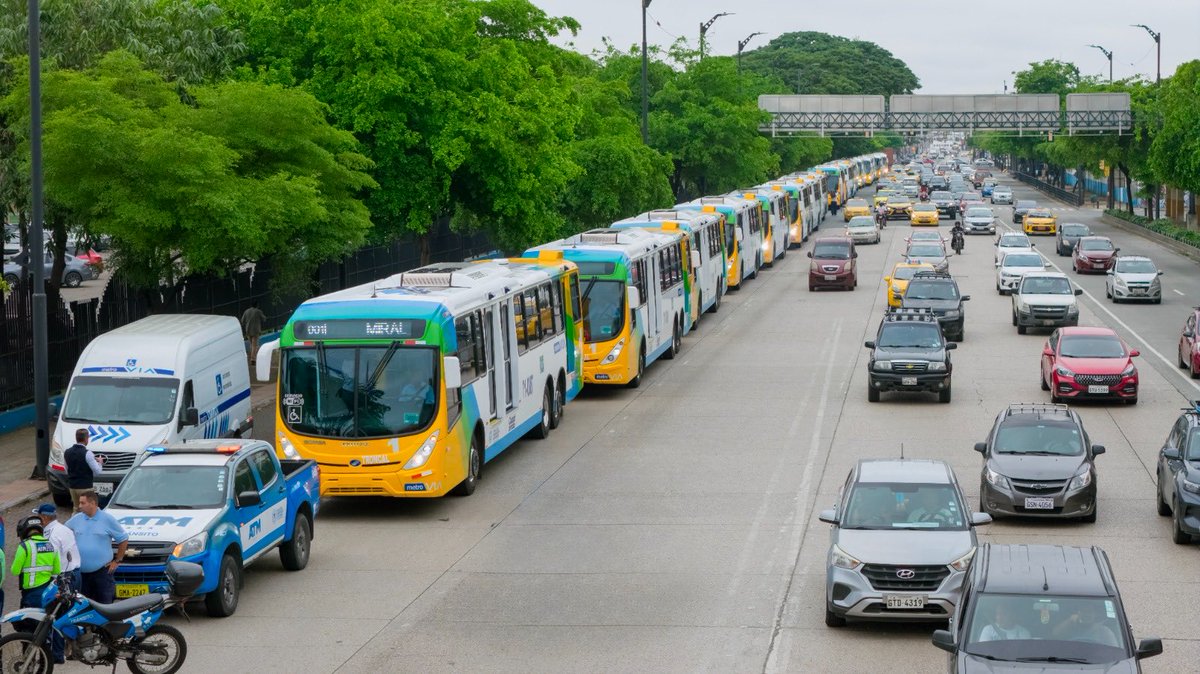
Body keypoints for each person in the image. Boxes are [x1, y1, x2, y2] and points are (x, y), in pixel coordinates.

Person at [12, 517, 64, 664]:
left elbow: (15, 570)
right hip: (48, 593)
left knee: (28, 630)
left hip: (31, 595)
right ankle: (44, 662)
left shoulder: (24, 546)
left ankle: (28, 662)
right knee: (45, 628)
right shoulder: (51, 545)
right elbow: (57, 570)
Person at [66, 490, 128, 605]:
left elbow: (123, 539)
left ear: (93, 503)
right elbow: (64, 532)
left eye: (82, 503)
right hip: (81, 574)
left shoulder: (107, 519)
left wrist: (117, 560)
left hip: (102, 573)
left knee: (104, 605)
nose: (79, 506)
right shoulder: (77, 519)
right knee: (82, 605)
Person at [35, 503, 81, 591]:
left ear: (44, 518)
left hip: (63, 578)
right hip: (76, 575)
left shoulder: (51, 535)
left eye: (38, 516)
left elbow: (51, 559)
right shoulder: (65, 529)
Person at [64, 427, 104, 509]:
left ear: (76, 438)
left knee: (76, 508)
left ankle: (73, 522)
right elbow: (97, 472)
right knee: (89, 510)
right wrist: (100, 463)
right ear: (86, 438)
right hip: (86, 487)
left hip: (73, 487)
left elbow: (66, 470)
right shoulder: (88, 453)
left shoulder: (67, 452)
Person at [1052, 602, 1120, 646]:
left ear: (1095, 614)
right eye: (1084, 611)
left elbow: (1114, 652)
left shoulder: (1104, 631)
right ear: (1078, 613)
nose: (1086, 614)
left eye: (1089, 611)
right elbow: (1055, 635)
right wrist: (1069, 621)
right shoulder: (1070, 627)